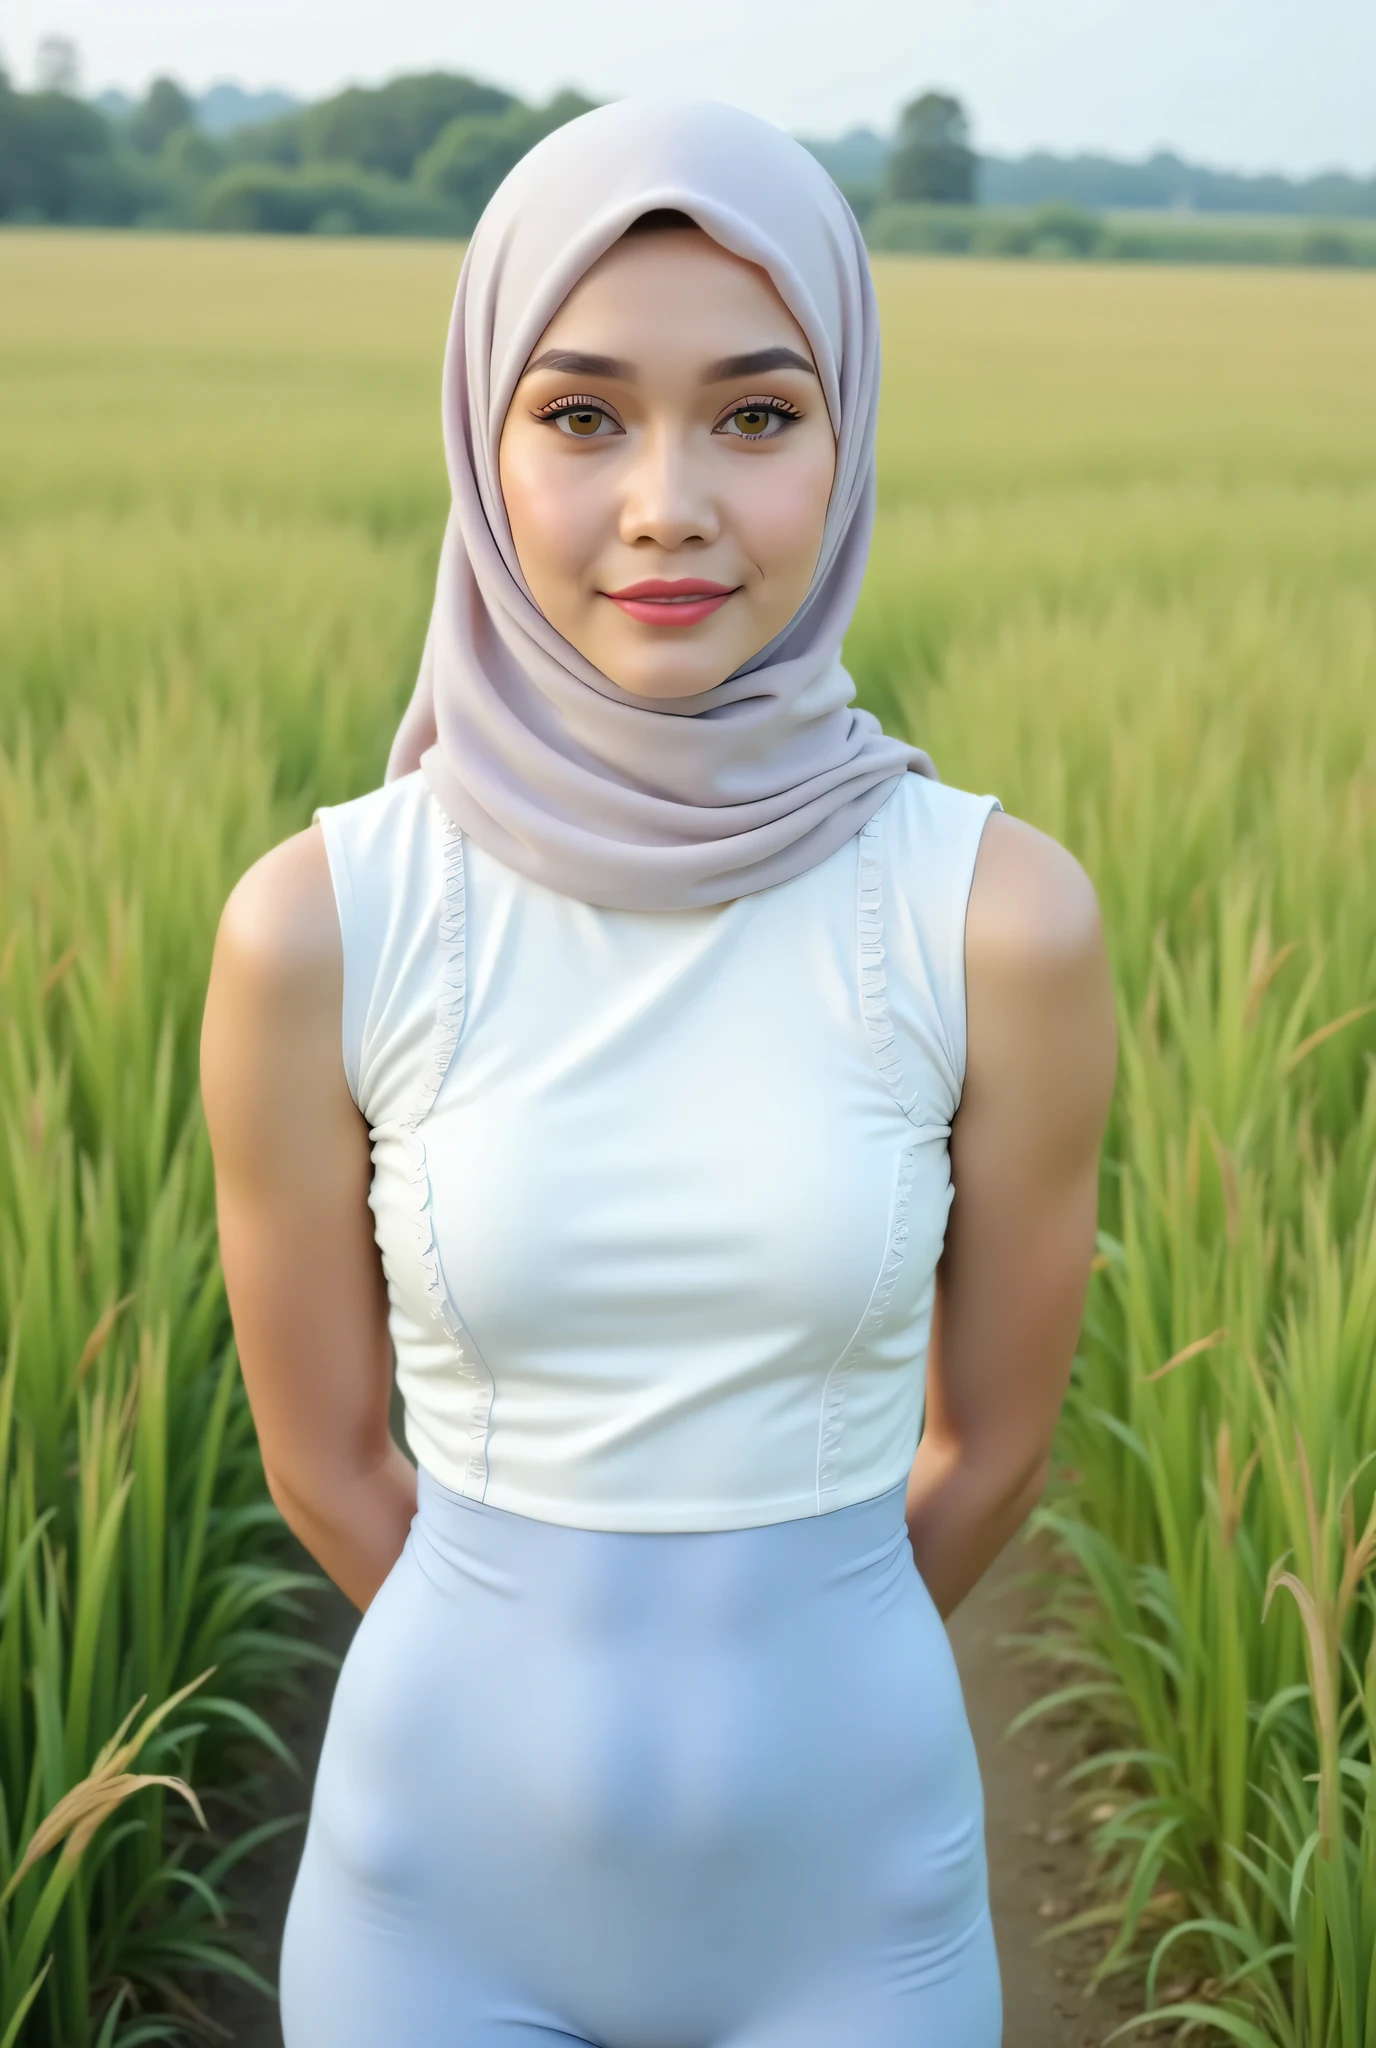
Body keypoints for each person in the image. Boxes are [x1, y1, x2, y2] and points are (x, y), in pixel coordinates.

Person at [200, 95, 1116, 2048]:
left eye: (758, 416)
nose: (668, 502)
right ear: (480, 434)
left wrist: (805, 1655)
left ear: (846, 437)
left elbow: (995, 1450)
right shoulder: (323, 924)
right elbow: (325, 1461)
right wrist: (527, 1668)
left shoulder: (992, 920)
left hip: (853, 1910)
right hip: (431, 1898)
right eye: (583, 413)